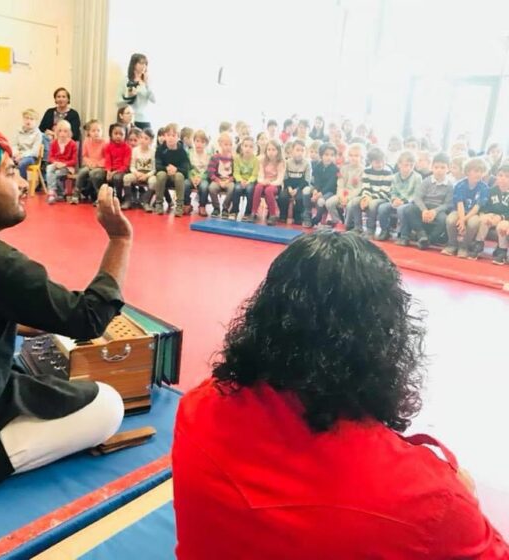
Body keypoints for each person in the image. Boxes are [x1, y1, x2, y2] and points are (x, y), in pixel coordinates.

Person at [172, 230, 509, 559]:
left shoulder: (197, 409)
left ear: (263, 314)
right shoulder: (428, 498)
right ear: (387, 338)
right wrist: (466, 498)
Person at [0, 111, 131, 511]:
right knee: (108, 404)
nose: (21, 184)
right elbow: (88, 319)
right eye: (12, 173)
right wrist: (119, 240)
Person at [399, 152, 453, 249]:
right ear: (432, 168)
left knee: (443, 219)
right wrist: (424, 210)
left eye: (442, 167)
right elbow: (417, 197)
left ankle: (430, 240)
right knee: (408, 210)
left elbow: (448, 204)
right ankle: (421, 234)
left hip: (438, 209)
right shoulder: (427, 181)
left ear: (448, 169)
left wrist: (435, 211)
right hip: (424, 206)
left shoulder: (450, 185)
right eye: (436, 167)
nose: (439, 170)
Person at [443, 157, 489, 258]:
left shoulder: (484, 187)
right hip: (459, 211)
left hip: (474, 213)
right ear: (468, 171)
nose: (479, 174)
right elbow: (459, 204)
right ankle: (452, 244)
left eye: (481, 171)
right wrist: (461, 218)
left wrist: (464, 219)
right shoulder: (460, 185)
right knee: (451, 219)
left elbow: (477, 207)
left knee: (473, 223)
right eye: (476, 171)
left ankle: (464, 246)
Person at [347, 147, 393, 238]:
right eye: (376, 162)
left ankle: (370, 229)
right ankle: (358, 227)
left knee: (372, 204)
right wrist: (365, 197)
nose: (380, 164)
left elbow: (385, 191)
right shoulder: (367, 170)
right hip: (369, 196)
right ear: (371, 161)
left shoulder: (388, 171)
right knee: (355, 201)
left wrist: (369, 199)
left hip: (383, 197)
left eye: (382, 161)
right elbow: (365, 187)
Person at [376, 150, 422, 241]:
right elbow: (392, 191)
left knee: (401, 209)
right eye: (406, 165)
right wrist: (394, 200)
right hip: (396, 201)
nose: (408, 168)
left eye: (411, 165)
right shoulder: (395, 177)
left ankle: (404, 235)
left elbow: (416, 194)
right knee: (382, 208)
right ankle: (385, 231)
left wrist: (404, 202)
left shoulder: (417, 177)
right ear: (399, 165)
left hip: (410, 203)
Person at [469, 163, 509, 261]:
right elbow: (484, 207)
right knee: (484, 220)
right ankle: (478, 244)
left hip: (505, 219)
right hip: (492, 216)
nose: (503, 178)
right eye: (500, 175)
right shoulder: (491, 191)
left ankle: (502, 250)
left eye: (507, 176)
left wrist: (502, 217)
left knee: (501, 226)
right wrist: (486, 215)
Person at [154, 123, 189, 216]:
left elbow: (186, 170)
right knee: (160, 174)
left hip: (176, 177)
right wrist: (166, 168)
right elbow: (157, 166)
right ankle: (159, 204)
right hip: (165, 175)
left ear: (178, 137)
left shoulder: (182, 151)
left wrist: (176, 169)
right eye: (168, 135)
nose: (170, 138)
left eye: (173, 135)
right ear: (164, 136)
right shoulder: (160, 149)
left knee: (179, 176)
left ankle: (179, 206)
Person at [328, 143, 365, 228]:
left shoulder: (363, 170)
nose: (353, 158)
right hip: (343, 193)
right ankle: (338, 221)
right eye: (351, 155)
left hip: (355, 195)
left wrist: (348, 198)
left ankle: (349, 223)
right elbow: (340, 184)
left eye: (356, 156)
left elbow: (359, 188)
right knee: (329, 203)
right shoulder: (344, 168)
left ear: (361, 157)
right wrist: (341, 196)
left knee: (349, 205)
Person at [251, 140, 285, 226]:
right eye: (269, 149)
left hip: (275, 184)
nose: (271, 152)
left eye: (273, 150)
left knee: (268, 191)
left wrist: (270, 183)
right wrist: (263, 181)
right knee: (258, 187)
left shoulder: (280, 162)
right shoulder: (263, 160)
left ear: (278, 151)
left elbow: (280, 179)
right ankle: (254, 212)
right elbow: (260, 175)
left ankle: (272, 215)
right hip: (264, 182)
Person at [118, 53, 155, 129]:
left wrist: (147, 84)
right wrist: (129, 96)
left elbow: (154, 100)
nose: (143, 66)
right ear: (134, 64)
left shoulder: (148, 80)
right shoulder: (126, 80)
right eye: (141, 63)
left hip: (145, 119)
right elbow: (119, 101)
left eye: (145, 64)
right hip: (130, 120)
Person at [279, 139, 311, 226]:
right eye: (297, 150)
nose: (300, 152)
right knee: (282, 196)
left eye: (302, 150)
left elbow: (306, 180)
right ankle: (283, 215)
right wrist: (289, 188)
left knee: (300, 198)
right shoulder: (287, 162)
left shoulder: (307, 164)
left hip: (300, 187)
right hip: (289, 186)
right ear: (292, 151)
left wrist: (297, 189)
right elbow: (285, 178)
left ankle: (297, 217)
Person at [123, 128, 156, 210]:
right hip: (137, 174)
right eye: (141, 137)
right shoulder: (135, 150)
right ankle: (128, 200)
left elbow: (154, 169)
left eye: (146, 138)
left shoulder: (153, 152)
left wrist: (147, 175)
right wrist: (137, 173)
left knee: (153, 181)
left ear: (151, 141)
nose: (142, 140)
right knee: (126, 178)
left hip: (148, 175)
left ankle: (146, 202)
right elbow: (132, 166)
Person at [46, 120, 77, 204]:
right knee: (49, 168)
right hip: (56, 164)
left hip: (67, 166)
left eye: (65, 131)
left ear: (69, 132)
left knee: (55, 174)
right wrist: (56, 163)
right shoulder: (53, 143)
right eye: (60, 131)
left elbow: (74, 161)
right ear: (57, 132)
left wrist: (64, 164)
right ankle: (53, 192)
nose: (62, 133)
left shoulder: (73, 144)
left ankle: (59, 193)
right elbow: (50, 157)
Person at [75, 119, 106, 204]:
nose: (96, 133)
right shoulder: (86, 141)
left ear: (102, 131)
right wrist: (89, 163)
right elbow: (84, 156)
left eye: (98, 130)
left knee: (93, 174)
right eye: (93, 131)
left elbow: (106, 158)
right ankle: (76, 193)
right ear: (89, 133)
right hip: (90, 165)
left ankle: (99, 196)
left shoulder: (105, 143)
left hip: (101, 167)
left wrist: (97, 164)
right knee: (82, 172)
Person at [309, 143, 339, 228]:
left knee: (320, 201)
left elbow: (331, 184)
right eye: (326, 154)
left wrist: (320, 194)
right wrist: (315, 191)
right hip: (320, 190)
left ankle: (318, 218)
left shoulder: (335, 169)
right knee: (313, 198)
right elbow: (317, 181)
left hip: (330, 191)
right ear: (321, 155)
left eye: (332, 155)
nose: (329, 157)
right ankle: (310, 216)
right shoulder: (318, 166)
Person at [207, 132, 234, 219]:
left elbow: (235, 174)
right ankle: (216, 208)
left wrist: (228, 181)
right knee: (212, 188)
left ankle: (225, 208)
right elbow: (211, 172)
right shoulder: (215, 157)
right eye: (226, 144)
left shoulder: (233, 158)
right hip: (217, 180)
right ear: (220, 144)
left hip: (228, 180)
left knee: (232, 188)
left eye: (230, 144)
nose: (228, 146)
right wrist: (219, 181)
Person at [183, 130, 210, 216]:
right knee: (185, 184)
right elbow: (187, 168)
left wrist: (201, 178)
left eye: (202, 142)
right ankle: (187, 204)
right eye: (197, 141)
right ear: (194, 142)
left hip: (202, 178)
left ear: (205, 143)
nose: (199, 144)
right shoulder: (189, 153)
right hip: (191, 178)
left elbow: (209, 170)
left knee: (205, 186)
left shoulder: (209, 155)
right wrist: (191, 177)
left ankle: (202, 206)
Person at [231, 136, 258, 221]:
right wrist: (240, 180)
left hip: (250, 181)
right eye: (246, 146)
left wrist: (248, 182)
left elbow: (255, 175)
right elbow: (236, 172)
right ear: (241, 147)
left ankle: (247, 213)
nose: (248, 149)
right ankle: (234, 211)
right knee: (237, 188)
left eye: (250, 147)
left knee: (250, 190)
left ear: (253, 148)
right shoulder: (237, 158)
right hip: (240, 180)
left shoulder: (255, 160)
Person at [12, 108, 43, 180]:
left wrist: (22, 156)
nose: (28, 121)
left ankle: (23, 185)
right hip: (18, 155)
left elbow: (34, 151)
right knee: (6, 162)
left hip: (30, 157)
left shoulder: (38, 134)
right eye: (26, 118)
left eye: (31, 119)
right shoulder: (18, 130)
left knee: (22, 164)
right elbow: (14, 145)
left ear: (35, 121)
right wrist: (16, 153)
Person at [104, 124, 131, 203]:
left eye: (121, 134)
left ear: (125, 136)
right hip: (111, 169)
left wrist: (114, 172)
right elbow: (107, 161)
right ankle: (104, 196)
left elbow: (126, 165)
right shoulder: (108, 146)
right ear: (111, 134)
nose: (118, 136)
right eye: (116, 134)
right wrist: (108, 171)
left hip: (122, 170)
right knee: (98, 175)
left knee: (117, 178)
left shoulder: (127, 148)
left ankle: (118, 197)